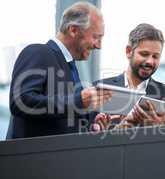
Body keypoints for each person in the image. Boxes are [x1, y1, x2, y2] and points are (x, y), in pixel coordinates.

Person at [6, 2, 112, 139]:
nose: (99, 45)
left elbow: (63, 117)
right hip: (33, 158)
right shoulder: (37, 52)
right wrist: (78, 101)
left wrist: (92, 123)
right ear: (73, 30)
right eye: (96, 37)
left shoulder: (69, 65)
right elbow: (21, 102)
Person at [92, 23, 165, 131]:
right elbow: (84, 138)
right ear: (129, 51)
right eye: (144, 54)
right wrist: (100, 132)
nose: (150, 61)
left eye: (155, 56)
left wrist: (158, 129)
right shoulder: (100, 89)